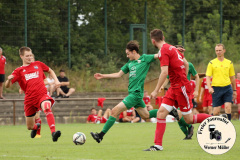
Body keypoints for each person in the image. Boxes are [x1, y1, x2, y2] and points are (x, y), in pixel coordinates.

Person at [144, 29, 211, 151]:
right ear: (163, 37)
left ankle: (213, 119)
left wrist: (156, 90)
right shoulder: (172, 48)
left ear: (153, 41)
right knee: (161, 113)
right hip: (174, 88)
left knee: (189, 119)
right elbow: (186, 64)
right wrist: (182, 77)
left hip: (180, 88)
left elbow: (164, 72)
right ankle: (157, 145)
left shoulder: (163, 51)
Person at [90, 40, 162, 143]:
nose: (127, 56)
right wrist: (103, 76)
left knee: (114, 111)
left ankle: (100, 135)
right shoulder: (130, 63)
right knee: (146, 115)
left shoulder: (145, 58)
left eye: (128, 53)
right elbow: (118, 74)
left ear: (133, 51)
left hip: (135, 94)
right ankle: (169, 111)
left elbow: (159, 55)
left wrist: (173, 50)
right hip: (134, 95)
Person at [5, 46, 61, 142]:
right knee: (29, 126)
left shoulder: (38, 64)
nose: (30, 57)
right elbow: (7, 86)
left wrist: (56, 81)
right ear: (21, 56)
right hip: (30, 99)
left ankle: (53, 133)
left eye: (31, 55)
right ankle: (36, 127)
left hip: (41, 95)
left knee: (47, 107)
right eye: (27, 56)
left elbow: (50, 70)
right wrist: (9, 80)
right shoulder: (18, 71)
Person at [160, 45, 199, 140]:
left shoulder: (188, 64)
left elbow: (196, 76)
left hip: (185, 91)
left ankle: (192, 126)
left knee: (184, 116)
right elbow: (167, 78)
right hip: (175, 91)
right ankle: (188, 133)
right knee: (177, 115)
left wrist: (196, 90)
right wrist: (162, 85)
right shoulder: (173, 65)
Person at [206, 44, 236, 121]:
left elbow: (232, 77)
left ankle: (228, 125)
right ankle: (211, 123)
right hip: (216, 89)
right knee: (216, 112)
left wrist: (234, 90)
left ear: (224, 51)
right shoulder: (211, 63)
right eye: (217, 50)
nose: (218, 52)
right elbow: (208, 77)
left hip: (227, 88)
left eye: (220, 50)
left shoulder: (229, 63)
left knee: (228, 107)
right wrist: (209, 87)